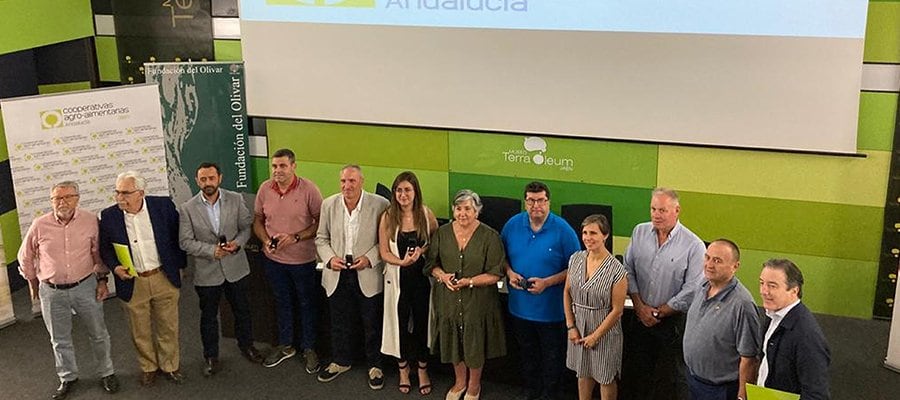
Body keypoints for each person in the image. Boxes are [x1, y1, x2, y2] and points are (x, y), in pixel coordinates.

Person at [18, 181, 120, 400]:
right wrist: (32, 283)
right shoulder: (39, 225)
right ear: (51, 201)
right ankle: (68, 377)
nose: (62, 202)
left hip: (85, 286)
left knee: (99, 334)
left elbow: (98, 254)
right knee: (59, 339)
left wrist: (103, 281)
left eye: (67, 197)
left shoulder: (90, 221)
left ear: (77, 198)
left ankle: (107, 373)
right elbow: (25, 257)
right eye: (57, 198)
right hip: (51, 292)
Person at [98, 171, 186, 387]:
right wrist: (115, 267)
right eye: (117, 192)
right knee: (140, 330)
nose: (120, 198)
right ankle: (148, 367)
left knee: (168, 326)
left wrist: (180, 266)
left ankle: (170, 366)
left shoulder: (163, 206)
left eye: (125, 193)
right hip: (132, 281)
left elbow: (178, 237)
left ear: (141, 193)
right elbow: (105, 249)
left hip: (162, 276)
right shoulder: (109, 216)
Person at [178, 162, 265, 376]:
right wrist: (211, 251)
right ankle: (211, 356)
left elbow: (246, 227)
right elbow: (185, 242)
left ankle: (247, 346)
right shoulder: (187, 208)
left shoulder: (236, 199)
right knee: (208, 317)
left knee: (242, 311)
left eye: (211, 178)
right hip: (207, 272)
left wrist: (238, 243)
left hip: (236, 267)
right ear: (197, 181)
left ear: (220, 178)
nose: (208, 183)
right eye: (203, 179)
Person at [622, 187, 705, 400]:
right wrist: (640, 306)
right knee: (637, 373)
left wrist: (661, 312)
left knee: (669, 378)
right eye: (653, 209)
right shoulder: (639, 231)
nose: (656, 215)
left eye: (662, 210)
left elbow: (693, 288)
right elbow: (628, 268)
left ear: (677, 211)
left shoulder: (693, 245)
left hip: (673, 322)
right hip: (639, 316)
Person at [501, 181, 580, 400]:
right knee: (527, 355)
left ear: (548, 202)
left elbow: (577, 268)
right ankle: (531, 392)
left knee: (552, 358)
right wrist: (509, 273)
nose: (536, 205)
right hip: (519, 308)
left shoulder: (563, 230)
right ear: (525, 202)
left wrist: (547, 282)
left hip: (552, 312)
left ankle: (549, 395)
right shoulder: (512, 225)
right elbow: (502, 258)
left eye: (541, 200)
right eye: (531, 200)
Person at [425, 189, 506, 400]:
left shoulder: (490, 236)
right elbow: (431, 265)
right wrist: (443, 276)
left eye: (468, 209)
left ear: (477, 211)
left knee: (474, 343)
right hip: (448, 300)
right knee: (454, 342)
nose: (462, 213)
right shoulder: (442, 233)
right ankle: (460, 382)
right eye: (458, 208)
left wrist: (469, 282)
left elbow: (496, 273)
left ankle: (473, 386)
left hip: (478, 303)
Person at [315, 165, 390, 389]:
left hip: (366, 272)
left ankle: (375, 365)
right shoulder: (328, 204)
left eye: (352, 181)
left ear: (362, 181)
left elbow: (385, 241)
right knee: (339, 321)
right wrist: (329, 259)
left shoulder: (380, 204)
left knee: (371, 323)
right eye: (343, 181)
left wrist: (369, 258)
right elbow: (321, 238)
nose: (347, 186)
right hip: (337, 273)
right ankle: (341, 361)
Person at [253, 148, 324, 372]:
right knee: (282, 302)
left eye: (283, 166)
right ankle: (286, 346)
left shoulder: (309, 189)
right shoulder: (265, 189)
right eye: (274, 166)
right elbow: (258, 220)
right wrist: (265, 240)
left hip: (302, 260)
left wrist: (295, 237)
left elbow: (321, 222)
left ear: (293, 166)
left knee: (306, 304)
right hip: (273, 260)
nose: (278, 171)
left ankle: (309, 348)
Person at [378, 171, 439, 395]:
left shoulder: (425, 214)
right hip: (398, 279)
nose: (403, 195)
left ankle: (422, 369)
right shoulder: (387, 217)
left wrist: (421, 251)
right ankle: (403, 369)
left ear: (415, 192)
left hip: (422, 280)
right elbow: (383, 251)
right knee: (400, 325)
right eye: (399, 190)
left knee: (423, 324)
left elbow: (435, 244)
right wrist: (402, 262)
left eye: (408, 190)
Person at [683, 239, 760, 400]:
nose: (709, 265)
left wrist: (742, 395)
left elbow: (749, 358)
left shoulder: (742, 305)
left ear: (735, 266)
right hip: (693, 380)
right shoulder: (703, 285)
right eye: (707, 257)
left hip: (721, 390)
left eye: (717, 261)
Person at [564, 214, 628, 400]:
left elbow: (617, 310)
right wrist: (571, 326)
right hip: (579, 326)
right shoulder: (576, 259)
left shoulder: (617, 270)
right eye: (585, 233)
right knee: (583, 373)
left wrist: (595, 336)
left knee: (605, 377)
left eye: (593, 233)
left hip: (605, 332)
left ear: (605, 235)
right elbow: (567, 292)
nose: (587, 237)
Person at [757, 259, 831, 400]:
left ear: (794, 290)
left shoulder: (807, 336)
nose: (764, 291)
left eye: (772, 286)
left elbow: (816, 394)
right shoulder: (773, 315)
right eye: (762, 283)